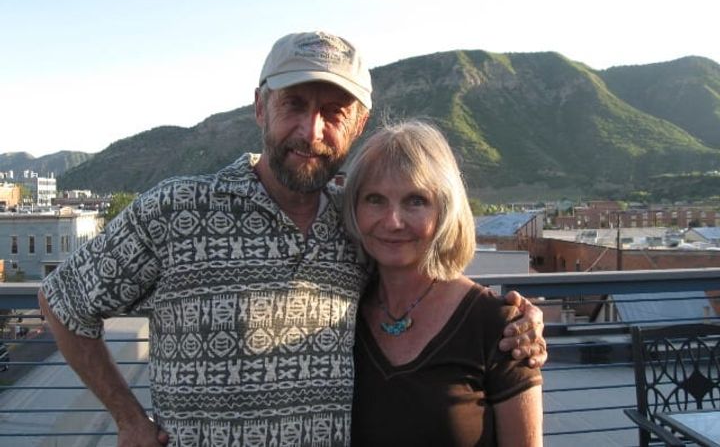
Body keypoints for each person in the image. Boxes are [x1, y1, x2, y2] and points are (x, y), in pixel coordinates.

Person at [38, 31, 546, 447]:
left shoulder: (356, 220)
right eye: (294, 105)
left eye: (334, 113)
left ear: (358, 124)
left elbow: (422, 277)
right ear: (260, 107)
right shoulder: (177, 208)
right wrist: (129, 419)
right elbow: (62, 300)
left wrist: (517, 321)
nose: (311, 130)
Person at [344, 120, 543, 446]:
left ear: (445, 210)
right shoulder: (340, 315)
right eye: (375, 199)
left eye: (415, 200)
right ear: (354, 208)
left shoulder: (502, 327)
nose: (393, 222)